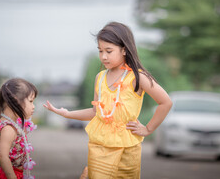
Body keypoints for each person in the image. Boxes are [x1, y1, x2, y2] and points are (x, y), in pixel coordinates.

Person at [44, 21, 173, 178]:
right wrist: (66, 114)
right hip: (101, 146)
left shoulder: (138, 77)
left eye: (109, 51)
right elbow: (96, 112)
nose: (103, 56)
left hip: (129, 147)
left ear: (124, 50)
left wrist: (148, 129)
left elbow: (165, 102)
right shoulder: (100, 78)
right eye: (100, 51)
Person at [0, 78, 38, 179]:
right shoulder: (8, 128)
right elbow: (3, 156)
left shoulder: (12, 124)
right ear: (15, 100)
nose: (33, 106)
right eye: (31, 101)